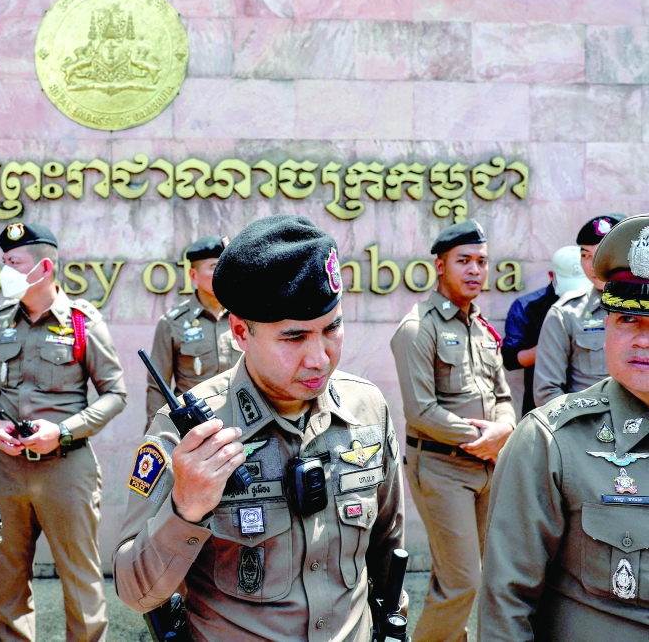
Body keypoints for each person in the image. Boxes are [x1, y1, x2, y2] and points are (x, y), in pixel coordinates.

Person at [114, 214, 405, 640]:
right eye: (293, 338)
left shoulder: (367, 408)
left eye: (332, 329)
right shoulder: (187, 434)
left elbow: (386, 548)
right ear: (240, 332)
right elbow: (134, 591)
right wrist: (186, 509)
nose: (320, 357)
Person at [480, 213, 649, 639]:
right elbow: (506, 606)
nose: (642, 339)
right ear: (607, 322)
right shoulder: (550, 441)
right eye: (628, 319)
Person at [0, 223, 126, 642]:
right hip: (7, 469)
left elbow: (116, 393)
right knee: (7, 581)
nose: (4, 270)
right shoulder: (0, 323)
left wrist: (62, 431)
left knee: (80, 580)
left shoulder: (82, 322)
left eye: (14, 262)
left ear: (43, 267)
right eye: (4, 261)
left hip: (66, 466)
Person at [389, 219, 516, 642]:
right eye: (464, 261)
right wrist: (484, 439)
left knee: (473, 576)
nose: (475, 270)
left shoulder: (482, 329)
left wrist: (504, 430)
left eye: (481, 261)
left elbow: (503, 397)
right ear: (440, 265)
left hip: (487, 467)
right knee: (463, 580)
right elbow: (421, 411)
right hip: (441, 469)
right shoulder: (417, 328)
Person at [145, 235, 240, 430]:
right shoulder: (172, 323)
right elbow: (157, 388)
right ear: (194, 276)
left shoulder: (246, 317)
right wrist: (157, 438)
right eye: (215, 267)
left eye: (225, 267)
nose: (222, 273)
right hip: (195, 429)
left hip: (245, 425)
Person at [534, 213, 627, 406]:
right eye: (586, 256)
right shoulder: (566, 313)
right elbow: (547, 392)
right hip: (590, 430)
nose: (594, 265)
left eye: (603, 253)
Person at [502, 245, 589, 415]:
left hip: (589, 403)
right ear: (552, 276)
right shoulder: (527, 306)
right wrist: (555, 343)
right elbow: (510, 359)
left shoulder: (598, 302)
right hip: (542, 407)